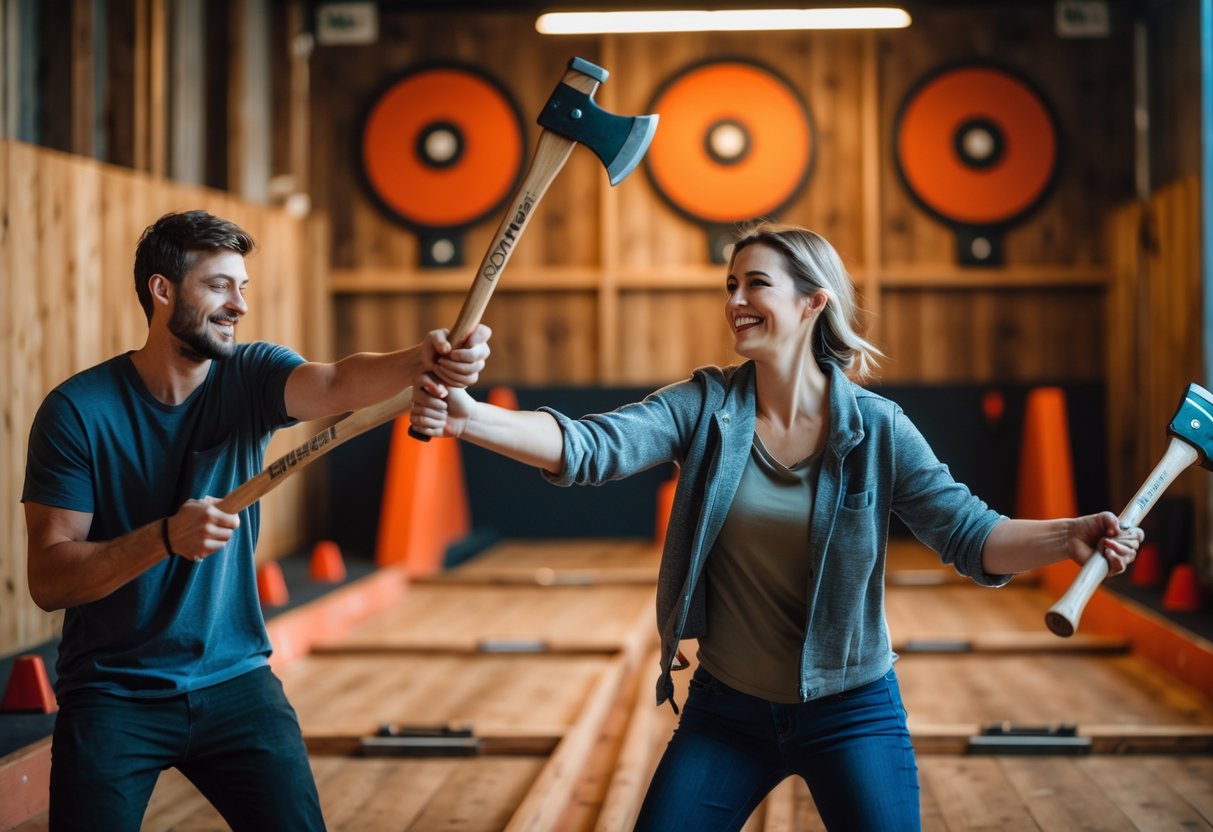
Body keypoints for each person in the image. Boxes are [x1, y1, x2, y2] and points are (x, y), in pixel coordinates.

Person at [409, 221, 1142, 831]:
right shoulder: (703, 407)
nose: (734, 299)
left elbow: (970, 536)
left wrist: (1066, 534)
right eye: (729, 285)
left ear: (812, 302)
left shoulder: (878, 428)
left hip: (851, 711)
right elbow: (592, 446)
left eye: (754, 283)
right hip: (726, 711)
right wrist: (471, 418)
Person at [23, 209, 490, 832]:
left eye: (243, 287)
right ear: (162, 291)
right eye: (219, 286)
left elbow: (337, 382)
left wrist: (421, 360)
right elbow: (50, 579)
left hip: (236, 682)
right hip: (113, 694)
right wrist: (165, 538)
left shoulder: (250, 374)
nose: (239, 304)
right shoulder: (78, 412)